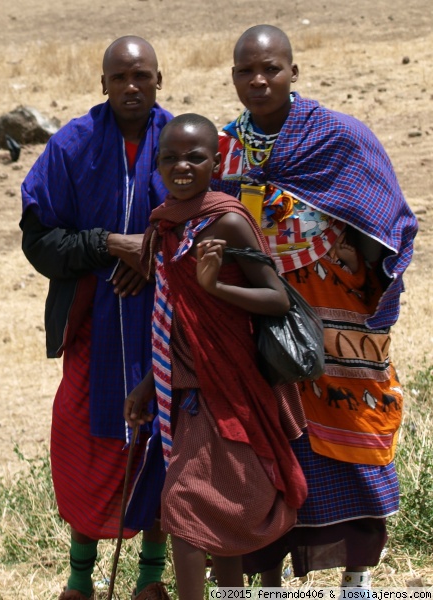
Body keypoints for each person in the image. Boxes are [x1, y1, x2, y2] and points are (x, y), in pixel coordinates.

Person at [211, 25, 418, 589]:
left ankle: (357, 575)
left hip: (336, 315)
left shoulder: (340, 137)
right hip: (258, 313)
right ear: (232, 77)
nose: (259, 80)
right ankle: (267, 573)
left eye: (271, 68)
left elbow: (386, 214)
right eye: (246, 71)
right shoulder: (224, 148)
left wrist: (364, 267)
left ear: (293, 72)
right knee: (270, 437)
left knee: (349, 426)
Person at [124, 113, 308, 600]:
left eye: (195, 157)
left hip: (232, 384)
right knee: (212, 507)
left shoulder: (227, 220)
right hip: (187, 389)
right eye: (170, 158)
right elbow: (171, 316)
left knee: (185, 508)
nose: (181, 166)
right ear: (157, 165)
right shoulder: (165, 223)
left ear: (215, 161)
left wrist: (217, 285)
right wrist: (148, 384)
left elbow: (277, 298)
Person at [19, 36, 173, 600]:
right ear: (102, 83)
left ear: (161, 79)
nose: (132, 86)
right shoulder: (71, 147)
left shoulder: (181, 140)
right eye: (120, 77)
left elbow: (209, 223)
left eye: (143, 76)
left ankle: (151, 580)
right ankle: (80, 582)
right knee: (84, 445)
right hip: (95, 329)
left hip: (164, 327)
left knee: (161, 442)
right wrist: (110, 245)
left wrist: (150, 255)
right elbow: (39, 243)